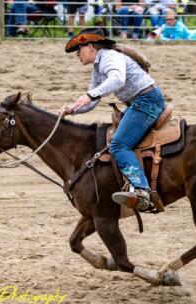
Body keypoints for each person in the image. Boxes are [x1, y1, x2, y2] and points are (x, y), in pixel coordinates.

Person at [63, 28, 166, 210]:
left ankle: (142, 190)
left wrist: (89, 95)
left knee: (118, 144)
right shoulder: (99, 65)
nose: (77, 55)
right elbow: (93, 100)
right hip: (141, 101)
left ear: (89, 46)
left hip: (146, 100)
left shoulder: (110, 57)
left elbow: (117, 79)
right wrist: (72, 109)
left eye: (78, 50)